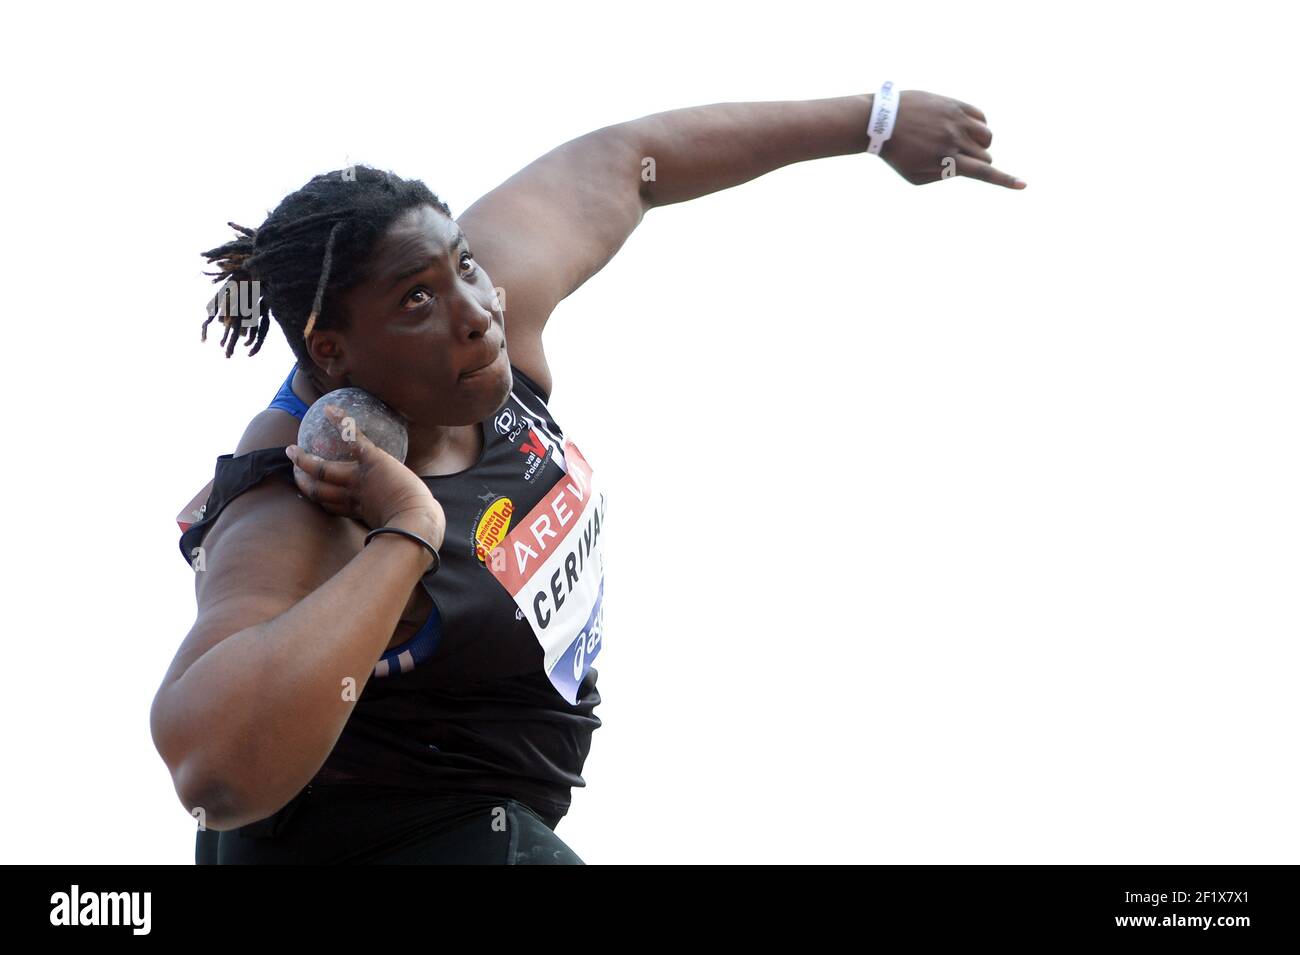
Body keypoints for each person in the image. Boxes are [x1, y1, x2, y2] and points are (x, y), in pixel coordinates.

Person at [151, 89, 1022, 864]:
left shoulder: (483, 320)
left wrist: (876, 121)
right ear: (333, 351)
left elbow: (633, 162)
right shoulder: (296, 500)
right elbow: (214, 773)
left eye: (464, 265)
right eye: (418, 300)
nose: (476, 314)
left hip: (500, 821)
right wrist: (407, 534)